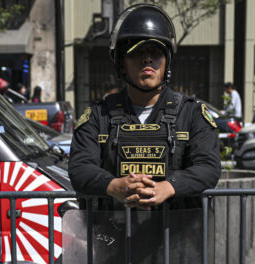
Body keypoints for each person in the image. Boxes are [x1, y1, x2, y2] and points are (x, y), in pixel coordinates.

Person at [68, 3, 220, 210]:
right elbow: (80, 167)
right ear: (122, 63)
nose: (147, 59)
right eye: (136, 52)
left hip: (177, 237)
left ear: (167, 61)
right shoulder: (98, 115)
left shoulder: (191, 113)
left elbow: (208, 167)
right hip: (114, 234)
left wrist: (168, 187)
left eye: (155, 52)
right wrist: (112, 186)